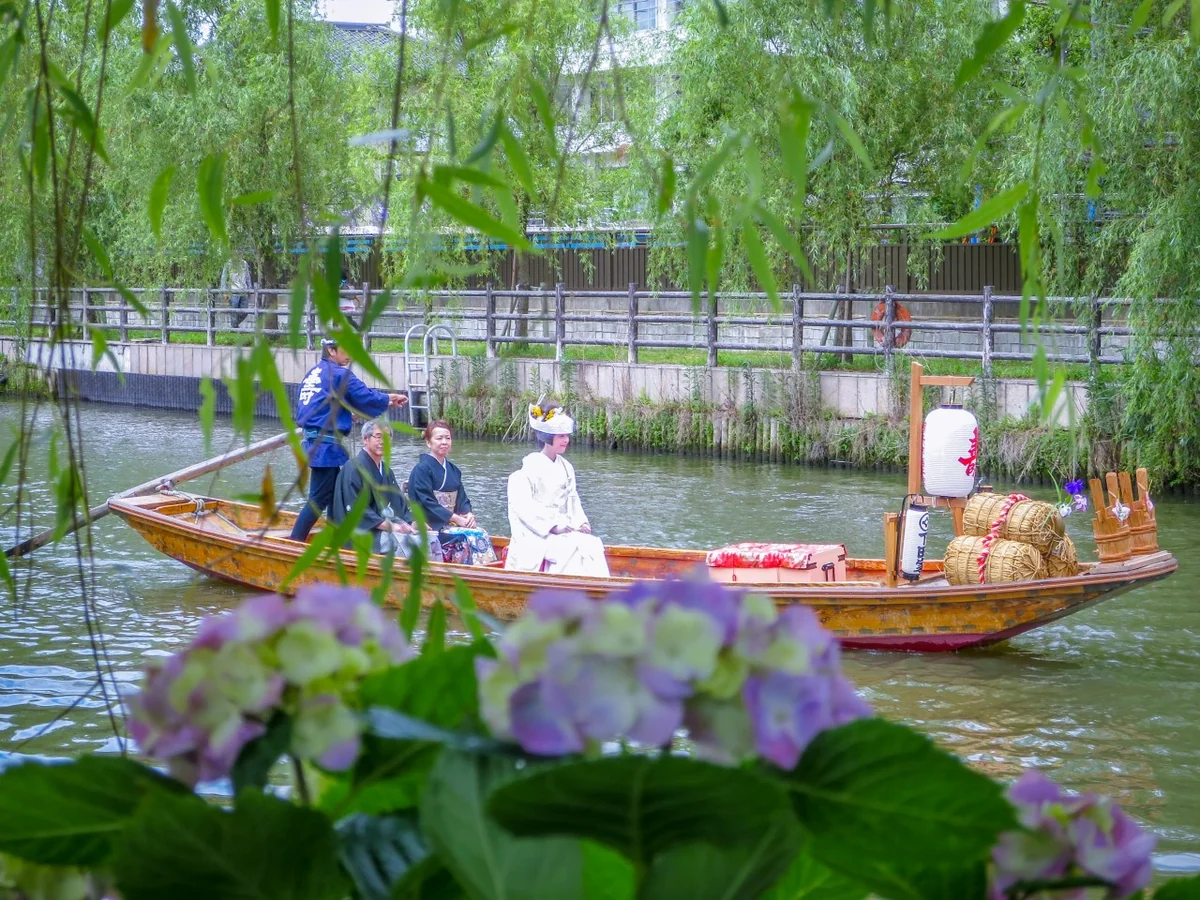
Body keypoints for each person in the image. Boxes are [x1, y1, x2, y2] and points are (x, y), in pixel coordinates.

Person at [289, 337, 408, 542]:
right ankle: (294, 543)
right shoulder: (338, 374)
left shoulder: (314, 374)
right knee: (319, 499)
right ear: (331, 350)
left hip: (317, 441)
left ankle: (339, 537)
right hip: (324, 445)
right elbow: (365, 397)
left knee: (337, 495)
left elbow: (319, 408)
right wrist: (388, 399)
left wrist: (345, 416)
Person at [504, 402, 610, 577]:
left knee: (592, 544)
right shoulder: (523, 473)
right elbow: (524, 509)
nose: (566, 440)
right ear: (547, 437)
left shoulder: (567, 468)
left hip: (565, 528)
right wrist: (553, 526)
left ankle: (599, 589)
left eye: (566, 436)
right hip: (537, 534)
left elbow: (573, 500)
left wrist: (581, 522)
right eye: (561, 436)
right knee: (571, 549)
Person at [329, 420, 439, 558]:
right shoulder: (353, 469)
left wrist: (412, 522)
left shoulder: (386, 471)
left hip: (383, 527)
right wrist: (392, 527)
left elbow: (399, 503)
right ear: (365, 439)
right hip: (362, 533)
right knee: (407, 542)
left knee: (429, 538)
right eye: (378, 436)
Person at [408, 420, 497, 566]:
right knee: (466, 537)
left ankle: (485, 572)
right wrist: (455, 518)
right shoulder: (421, 469)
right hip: (432, 523)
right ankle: (466, 574)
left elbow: (462, 498)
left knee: (481, 533)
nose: (444, 442)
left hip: (451, 521)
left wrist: (468, 515)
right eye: (439, 438)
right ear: (429, 443)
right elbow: (426, 501)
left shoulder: (454, 470)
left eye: (447, 438)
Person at [221, 253, 252, 328]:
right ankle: (234, 328)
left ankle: (234, 325)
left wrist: (250, 289)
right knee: (234, 312)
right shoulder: (228, 264)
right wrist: (224, 292)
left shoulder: (244, 263)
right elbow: (224, 278)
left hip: (244, 291)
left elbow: (248, 277)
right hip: (233, 292)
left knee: (245, 311)